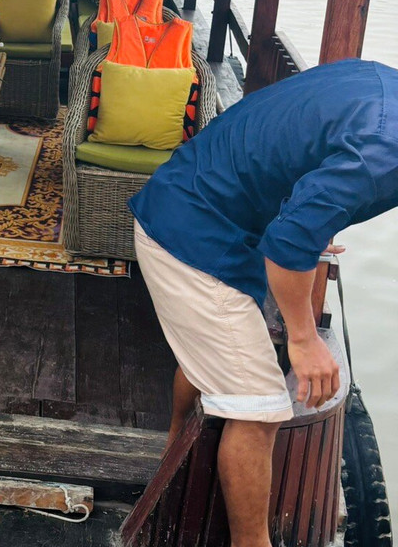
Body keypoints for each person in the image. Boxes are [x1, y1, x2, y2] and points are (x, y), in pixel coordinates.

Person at [130, 58, 398, 547]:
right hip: (190, 231)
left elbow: (299, 149)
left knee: (211, 351)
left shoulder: (382, 81)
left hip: (197, 194)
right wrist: (303, 339)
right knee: (260, 406)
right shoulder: (387, 151)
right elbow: (288, 242)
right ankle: (251, 542)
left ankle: (171, 452)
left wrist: (307, 226)